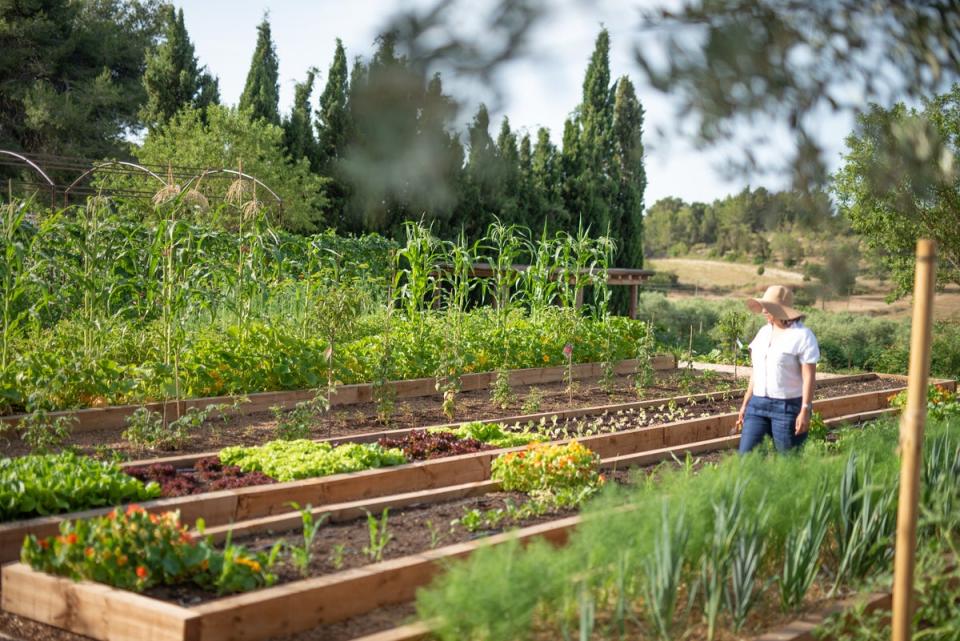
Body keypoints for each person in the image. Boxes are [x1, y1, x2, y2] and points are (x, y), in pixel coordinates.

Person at [735, 285, 820, 453]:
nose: (764, 311)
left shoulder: (802, 335)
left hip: (787, 408)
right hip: (757, 405)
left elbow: (809, 377)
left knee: (788, 465)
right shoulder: (763, 332)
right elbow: (756, 370)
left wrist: (805, 410)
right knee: (746, 459)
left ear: (782, 310)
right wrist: (745, 404)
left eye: (768, 308)